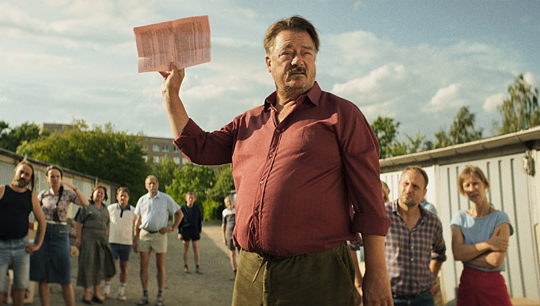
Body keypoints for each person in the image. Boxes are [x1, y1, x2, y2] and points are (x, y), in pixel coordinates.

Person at [160, 15, 392, 305]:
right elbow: (200, 148)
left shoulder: (342, 116)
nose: (298, 61)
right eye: (287, 53)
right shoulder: (248, 122)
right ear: (269, 63)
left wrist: (377, 274)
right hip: (250, 274)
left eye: (307, 52)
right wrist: (171, 94)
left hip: (317, 277)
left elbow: (370, 203)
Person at [451, 166, 513, 306]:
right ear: (463, 190)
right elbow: (457, 253)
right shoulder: (459, 218)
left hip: (493, 284)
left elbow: (496, 260)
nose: (472, 189)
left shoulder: (500, 217)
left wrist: (468, 255)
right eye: (467, 185)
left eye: (475, 183)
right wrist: (488, 244)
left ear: (485, 184)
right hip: (468, 285)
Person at [385, 166, 446, 306]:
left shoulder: (432, 221)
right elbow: (353, 244)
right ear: (399, 185)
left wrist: (432, 277)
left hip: (423, 298)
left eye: (415, 186)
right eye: (405, 184)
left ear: (424, 193)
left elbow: (439, 252)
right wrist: (358, 283)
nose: (409, 189)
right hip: (389, 298)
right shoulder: (382, 215)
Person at [30, 165, 89, 306]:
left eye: (57, 176)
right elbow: (34, 211)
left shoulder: (68, 194)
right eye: (52, 176)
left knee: (65, 276)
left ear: (61, 179)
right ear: (47, 179)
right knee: (42, 276)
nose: (55, 179)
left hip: (61, 233)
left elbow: (85, 203)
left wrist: (74, 187)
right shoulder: (42, 194)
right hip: (43, 233)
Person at [0, 161, 46, 306]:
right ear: (15, 172)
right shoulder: (1, 190)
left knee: (20, 287)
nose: (23, 176)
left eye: (27, 174)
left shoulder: (31, 197)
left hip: (22, 248)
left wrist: (37, 244)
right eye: (21, 172)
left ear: (30, 178)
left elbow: (42, 222)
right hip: (0, 246)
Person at [133, 175, 183, 306]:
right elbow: (137, 221)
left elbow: (179, 213)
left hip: (160, 236)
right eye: (149, 183)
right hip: (144, 235)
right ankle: (145, 294)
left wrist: (172, 228)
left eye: (154, 183)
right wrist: (134, 239)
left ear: (158, 184)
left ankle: (160, 294)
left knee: (160, 266)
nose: (152, 185)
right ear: (145, 186)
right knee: (143, 265)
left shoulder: (166, 198)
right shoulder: (142, 200)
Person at [75, 185, 116, 305]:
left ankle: (96, 294)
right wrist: (78, 238)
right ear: (92, 194)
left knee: (99, 266)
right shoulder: (86, 206)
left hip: (101, 241)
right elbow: (78, 222)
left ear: (105, 196)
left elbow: (107, 224)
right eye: (98, 192)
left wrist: (106, 237)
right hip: (88, 240)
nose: (100, 194)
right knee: (87, 266)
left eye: (102, 193)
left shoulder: (105, 208)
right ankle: (86, 295)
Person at [103, 187, 137, 301]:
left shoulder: (133, 211)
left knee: (124, 267)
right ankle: (106, 290)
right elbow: (104, 223)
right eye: (121, 195)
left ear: (128, 198)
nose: (123, 198)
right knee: (109, 266)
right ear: (117, 197)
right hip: (112, 242)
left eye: (125, 196)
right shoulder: (110, 208)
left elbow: (137, 226)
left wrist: (135, 240)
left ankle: (121, 291)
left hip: (126, 243)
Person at [177, 192, 203, 274]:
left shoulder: (197, 208)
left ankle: (197, 266)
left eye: (192, 198)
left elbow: (199, 221)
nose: (191, 199)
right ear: (186, 199)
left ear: (194, 199)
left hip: (195, 230)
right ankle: (186, 266)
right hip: (185, 230)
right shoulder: (182, 208)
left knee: (195, 247)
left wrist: (200, 231)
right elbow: (179, 221)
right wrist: (179, 232)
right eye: (189, 198)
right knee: (186, 248)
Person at [221, 196, 239, 280]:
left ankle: (242, 273)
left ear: (233, 201)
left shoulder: (237, 210)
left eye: (230, 201)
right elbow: (223, 225)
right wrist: (224, 238)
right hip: (229, 235)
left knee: (241, 255)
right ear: (225, 204)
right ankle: (235, 273)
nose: (229, 202)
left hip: (238, 235)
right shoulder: (224, 212)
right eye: (227, 202)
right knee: (232, 254)